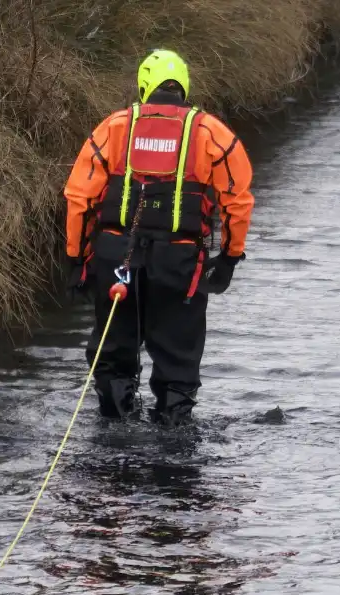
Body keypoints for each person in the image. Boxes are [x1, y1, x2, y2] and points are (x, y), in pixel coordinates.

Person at [62, 48, 255, 426]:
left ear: (143, 86)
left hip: (116, 259)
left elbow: (79, 199)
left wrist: (76, 260)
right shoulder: (211, 133)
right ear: (184, 88)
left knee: (113, 356)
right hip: (180, 265)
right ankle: (173, 441)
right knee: (178, 360)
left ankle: (114, 437)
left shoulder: (115, 127)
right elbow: (238, 202)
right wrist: (230, 258)